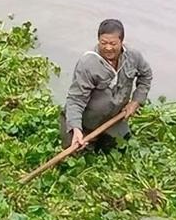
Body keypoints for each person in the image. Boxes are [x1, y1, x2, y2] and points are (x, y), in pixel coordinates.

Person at [60, 19, 153, 153]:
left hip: (113, 120)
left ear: (121, 41)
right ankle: (79, 133)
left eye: (113, 43)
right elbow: (76, 100)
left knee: (120, 149)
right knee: (75, 153)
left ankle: (106, 136)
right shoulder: (87, 64)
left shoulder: (133, 57)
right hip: (86, 122)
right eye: (103, 43)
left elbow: (146, 75)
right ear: (98, 40)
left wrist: (135, 102)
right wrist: (76, 128)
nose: (108, 48)